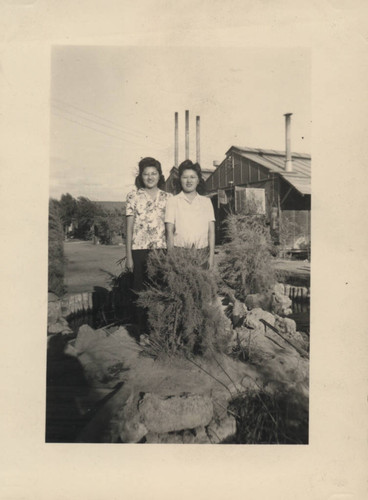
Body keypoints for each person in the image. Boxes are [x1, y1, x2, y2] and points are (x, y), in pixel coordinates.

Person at [125, 157, 172, 327]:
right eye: (146, 174)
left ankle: (158, 329)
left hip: (162, 250)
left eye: (154, 173)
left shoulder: (168, 197)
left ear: (160, 175)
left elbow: (171, 228)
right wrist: (128, 256)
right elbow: (129, 229)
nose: (150, 177)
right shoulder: (133, 196)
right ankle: (141, 331)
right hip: (139, 250)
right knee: (140, 291)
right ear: (141, 176)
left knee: (160, 289)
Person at [165, 159, 215, 269]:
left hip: (202, 252)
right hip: (180, 252)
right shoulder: (172, 201)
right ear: (180, 180)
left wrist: (211, 257)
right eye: (185, 177)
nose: (189, 181)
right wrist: (172, 257)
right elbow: (169, 232)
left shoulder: (206, 202)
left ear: (198, 180)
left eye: (193, 177)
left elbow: (211, 232)